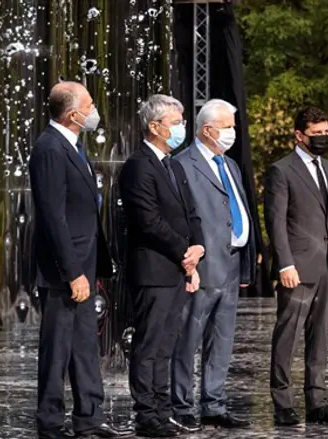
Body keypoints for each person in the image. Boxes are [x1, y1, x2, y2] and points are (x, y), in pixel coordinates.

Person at [29, 81, 132, 439]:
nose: (94, 110)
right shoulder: (49, 149)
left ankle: (89, 416)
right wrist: (72, 272)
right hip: (63, 270)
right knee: (56, 348)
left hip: (85, 264)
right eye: (89, 104)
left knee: (85, 343)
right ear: (73, 113)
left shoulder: (73, 146)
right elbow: (53, 215)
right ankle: (51, 422)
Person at [119, 94, 205, 437]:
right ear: (154, 126)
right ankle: (146, 413)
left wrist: (197, 248)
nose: (181, 129)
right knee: (149, 345)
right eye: (175, 123)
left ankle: (163, 408)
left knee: (167, 344)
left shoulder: (174, 164)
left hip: (177, 268)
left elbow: (191, 212)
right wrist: (185, 250)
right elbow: (147, 221)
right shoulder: (138, 165)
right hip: (154, 269)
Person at [266, 106, 328, 426]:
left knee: (320, 337)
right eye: (316, 134)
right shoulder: (281, 170)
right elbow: (276, 223)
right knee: (287, 336)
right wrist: (284, 264)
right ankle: (282, 402)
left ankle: (317, 401)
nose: (322, 139)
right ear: (299, 135)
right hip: (297, 268)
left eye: (325, 133)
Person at [170, 100, 256, 431]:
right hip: (202, 267)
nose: (233, 133)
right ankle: (180, 403)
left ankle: (214, 404)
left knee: (222, 339)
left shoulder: (230, 165)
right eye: (228, 127)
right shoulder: (183, 165)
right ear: (208, 129)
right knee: (188, 338)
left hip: (232, 265)